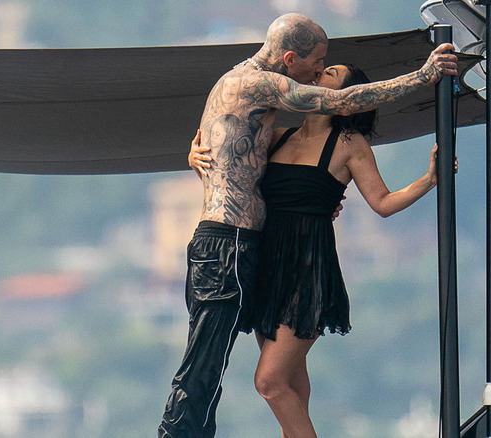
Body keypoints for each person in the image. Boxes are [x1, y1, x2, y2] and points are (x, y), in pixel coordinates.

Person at [159, 12, 457, 438]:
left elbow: (382, 202)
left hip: (302, 262)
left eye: (330, 70)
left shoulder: (346, 144)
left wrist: (428, 181)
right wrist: (196, 159)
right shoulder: (275, 118)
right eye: (321, 63)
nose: (320, 71)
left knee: (270, 381)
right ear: (290, 57)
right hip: (260, 255)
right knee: (283, 386)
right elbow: (232, 170)